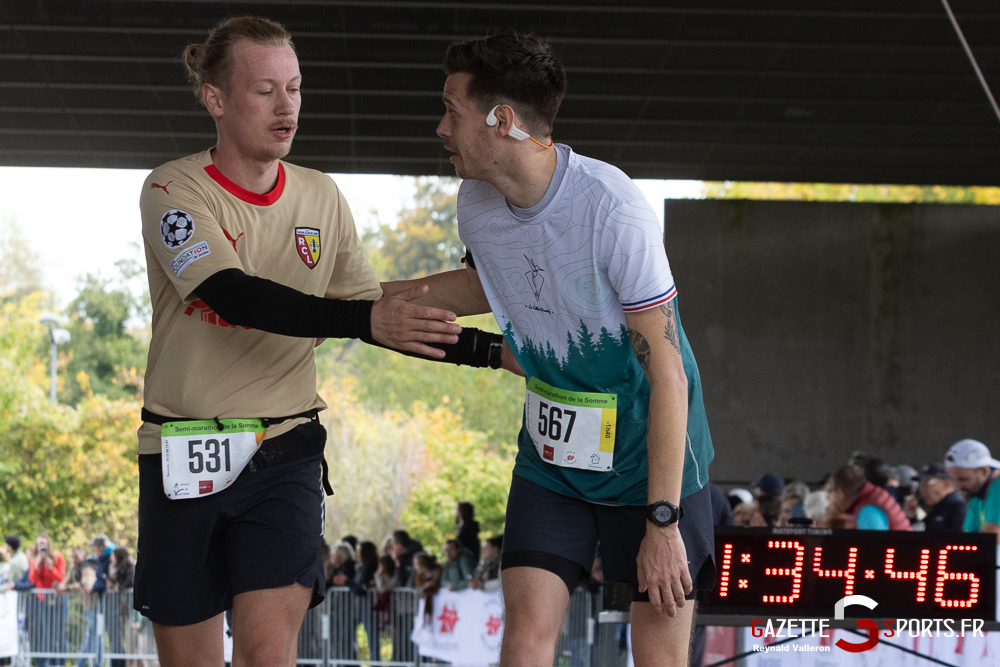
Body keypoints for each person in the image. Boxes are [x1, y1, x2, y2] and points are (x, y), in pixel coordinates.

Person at [133, 16, 508, 667]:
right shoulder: (173, 187)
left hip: (287, 450)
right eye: (265, 91)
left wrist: (493, 351)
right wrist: (365, 320)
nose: (288, 108)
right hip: (181, 448)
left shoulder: (322, 193)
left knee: (266, 655)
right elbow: (232, 293)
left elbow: (376, 311)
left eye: (296, 88)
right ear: (216, 99)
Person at [382, 31, 716, 666]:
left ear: (501, 120)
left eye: (452, 110)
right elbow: (496, 280)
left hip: (653, 462)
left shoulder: (613, 209)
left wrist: (664, 520)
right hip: (552, 461)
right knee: (525, 638)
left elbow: (669, 376)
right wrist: (368, 304)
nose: (439, 127)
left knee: (658, 655)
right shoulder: (476, 202)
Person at [945, 439, 1000, 540]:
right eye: (954, 480)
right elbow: (968, 537)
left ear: (984, 471)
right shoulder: (976, 491)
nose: (958, 487)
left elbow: (993, 537)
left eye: (963, 479)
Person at [27, 534, 68, 667]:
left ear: (48, 545)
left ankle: (60, 663)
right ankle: (46, 662)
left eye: (44, 543)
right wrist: (38, 564)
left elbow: (60, 578)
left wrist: (51, 566)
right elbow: (32, 580)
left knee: (58, 631)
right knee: (45, 633)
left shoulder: (58, 557)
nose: (42, 546)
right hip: (43, 600)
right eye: (39, 544)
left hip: (58, 599)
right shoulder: (34, 560)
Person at [829, 465, 911, 531]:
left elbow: (875, 548)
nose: (829, 500)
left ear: (840, 493)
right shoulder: (872, 497)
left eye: (830, 492)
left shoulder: (867, 511)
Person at [909, 463, 966, 532]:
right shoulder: (938, 508)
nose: (922, 490)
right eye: (921, 484)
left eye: (926, 483)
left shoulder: (960, 507)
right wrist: (911, 518)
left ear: (946, 484)